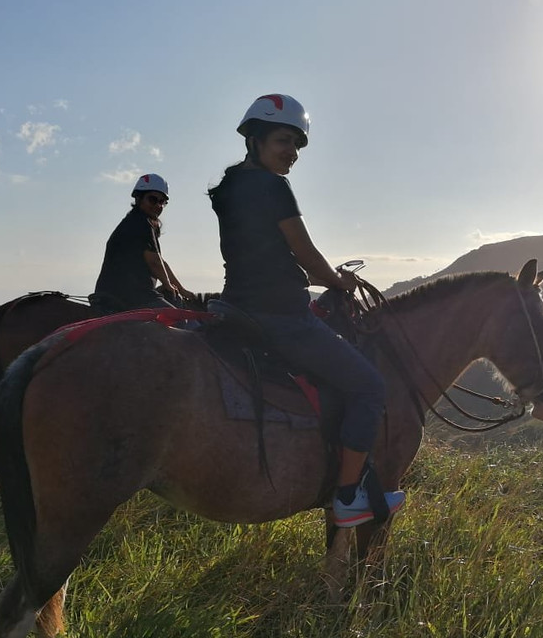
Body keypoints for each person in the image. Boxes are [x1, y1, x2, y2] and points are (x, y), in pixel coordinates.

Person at [207, 94, 405, 528]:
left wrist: (312, 275)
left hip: (238, 303)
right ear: (255, 138)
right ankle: (349, 497)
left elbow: (263, 251)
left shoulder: (229, 186)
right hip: (280, 315)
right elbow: (306, 253)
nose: (292, 153)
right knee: (370, 386)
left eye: (297, 145)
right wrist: (337, 280)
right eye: (284, 141)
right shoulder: (273, 186)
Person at [90, 173, 196, 315]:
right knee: (178, 318)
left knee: (175, 301)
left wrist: (180, 289)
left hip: (125, 293)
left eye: (163, 202)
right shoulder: (140, 223)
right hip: (131, 296)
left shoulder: (138, 221)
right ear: (139, 198)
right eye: (153, 199)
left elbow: (160, 262)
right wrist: (167, 285)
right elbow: (155, 263)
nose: (158, 205)